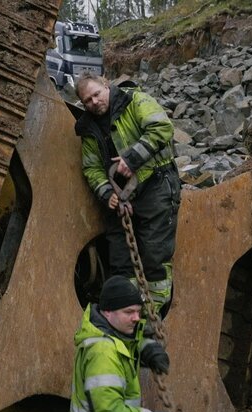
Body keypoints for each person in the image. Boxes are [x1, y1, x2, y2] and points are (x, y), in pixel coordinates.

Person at [74, 73, 181, 314]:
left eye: (96, 94)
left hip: (155, 183)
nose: (94, 102)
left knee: (154, 254)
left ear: (105, 85)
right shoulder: (88, 129)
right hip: (120, 196)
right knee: (121, 261)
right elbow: (91, 167)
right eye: (87, 101)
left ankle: (154, 314)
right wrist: (106, 193)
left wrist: (132, 159)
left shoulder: (136, 101)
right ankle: (128, 314)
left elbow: (162, 128)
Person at [61, 276, 185, 412]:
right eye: (129, 312)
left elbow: (127, 344)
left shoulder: (114, 334)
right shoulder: (102, 352)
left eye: (137, 311)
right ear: (108, 312)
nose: (136, 318)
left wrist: (148, 349)